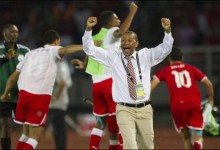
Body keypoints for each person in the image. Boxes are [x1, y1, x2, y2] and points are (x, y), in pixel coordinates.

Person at [82, 16, 173, 149]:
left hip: (144, 108)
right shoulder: (113, 58)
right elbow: (89, 49)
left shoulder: (146, 56)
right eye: (123, 40)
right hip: (124, 109)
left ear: (136, 43)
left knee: (147, 146)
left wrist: (168, 31)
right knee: (130, 145)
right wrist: (88, 30)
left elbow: (166, 49)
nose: (126, 42)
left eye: (130, 40)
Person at [0, 30, 82, 150]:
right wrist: (88, 45)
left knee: (25, 134)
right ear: (57, 41)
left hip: (23, 95)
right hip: (38, 97)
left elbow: (13, 78)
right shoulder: (53, 50)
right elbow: (66, 50)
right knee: (35, 137)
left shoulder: (30, 53)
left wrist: (5, 93)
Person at [73, 2, 138, 150]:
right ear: (110, 22)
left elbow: (88, 51)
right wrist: (132, 12)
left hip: (97, 85)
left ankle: (94, 147)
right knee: (121, 119)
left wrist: (84, 65)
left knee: (100, 121)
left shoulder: (95, 36)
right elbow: (121, 32)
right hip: (111, 83)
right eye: (116, 19)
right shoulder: (111, 33)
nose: (119, 21)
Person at [151, 47, 214, 150]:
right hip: (194, 103)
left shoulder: (165, 70)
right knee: (197, 134)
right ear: (182, 58)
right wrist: (211, 100)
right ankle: (198, 142)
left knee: (185, 136)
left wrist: (147, 101)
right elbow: (209, 84)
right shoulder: (191, 68)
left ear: (169, 59)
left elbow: (152, 85)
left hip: (177, 105)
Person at [0, 24, 30, 150]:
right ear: (4, 33)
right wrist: (4, 59)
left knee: (27, 126)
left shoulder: (25, 50)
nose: (14, 34)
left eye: (16, 32)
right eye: (11, 31)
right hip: (3, 94)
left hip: (21, 94)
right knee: (5, 125)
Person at [47, 59, 73, 150]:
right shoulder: (64, 65)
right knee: (60, 127)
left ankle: (60, 147)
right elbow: (67, 82)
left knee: (58, 128)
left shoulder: (58, 67)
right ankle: (61, 147)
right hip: (62, 101)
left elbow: (63, 82)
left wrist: (55, 97)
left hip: (57, 103)